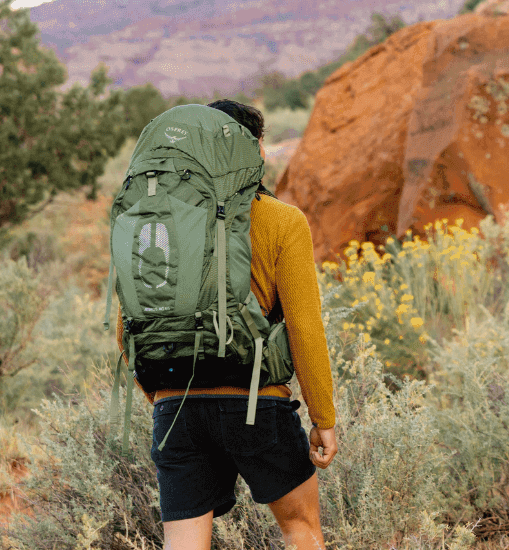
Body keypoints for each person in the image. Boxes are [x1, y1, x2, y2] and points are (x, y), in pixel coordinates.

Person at [133, 99, 338, 550]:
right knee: (300, 530)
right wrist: (323, 417)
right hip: (256, 402)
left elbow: (133, 316)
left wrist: (159, 396)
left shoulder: (161, 222)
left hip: (177, 406)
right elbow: (304, 327)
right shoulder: (282, 220)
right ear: (257, 151)